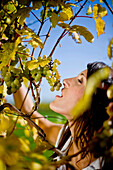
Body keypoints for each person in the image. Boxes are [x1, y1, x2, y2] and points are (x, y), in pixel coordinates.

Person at [13, 61, 113, 170]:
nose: (65, 81)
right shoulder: (66, 140)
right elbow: (28, 112)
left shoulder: (104, 163)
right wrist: (11, 67)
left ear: (95, 103)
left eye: (80, 81)